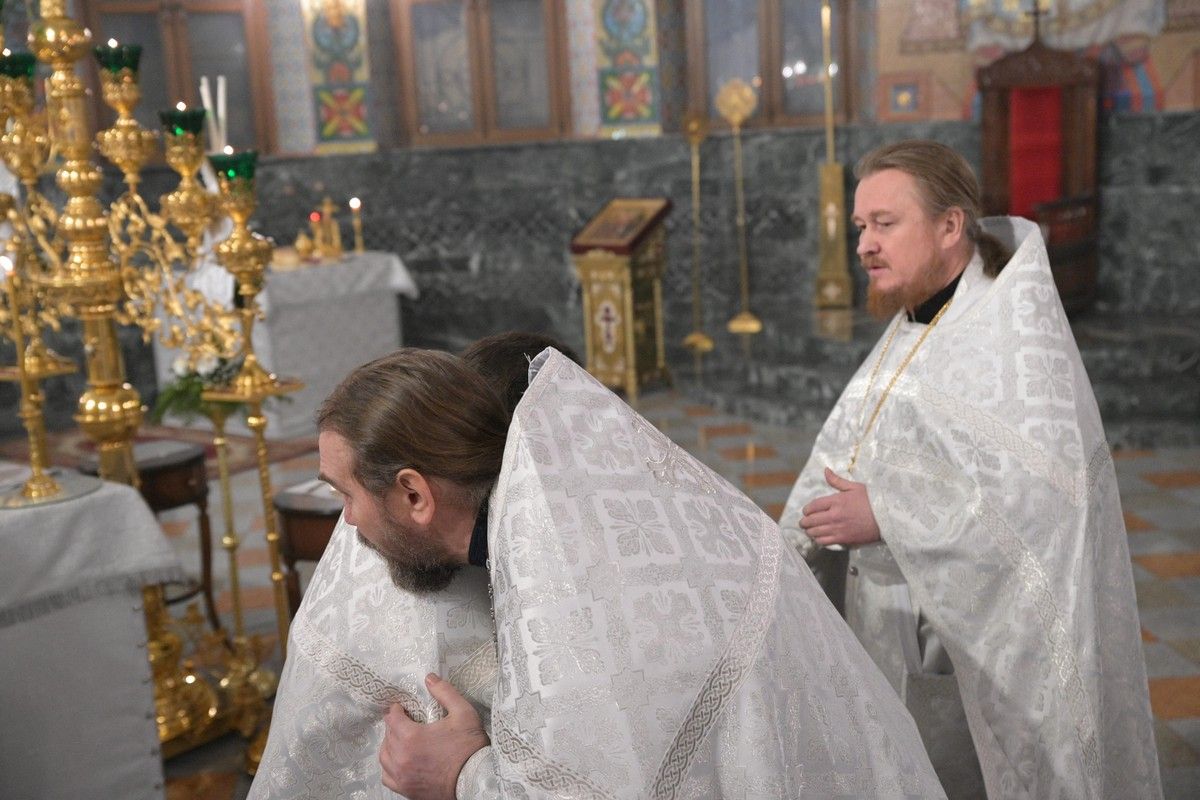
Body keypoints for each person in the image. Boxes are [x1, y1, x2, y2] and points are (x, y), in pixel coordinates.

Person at [255, 345, 947, 799]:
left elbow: (588, 784)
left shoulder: (573, 581)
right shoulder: (578, 507)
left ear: (414, 495)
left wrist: (460, 774)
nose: (347, 525)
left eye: (346, 495)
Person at [779, 140, 1161, 799]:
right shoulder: (918, 316)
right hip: (896, 621)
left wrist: (886, 514)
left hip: (972, 648)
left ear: (950, 225)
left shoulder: (1009, 336)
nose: (865, 245)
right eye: (861, 226)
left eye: (885, 224)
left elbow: (1043, 500)